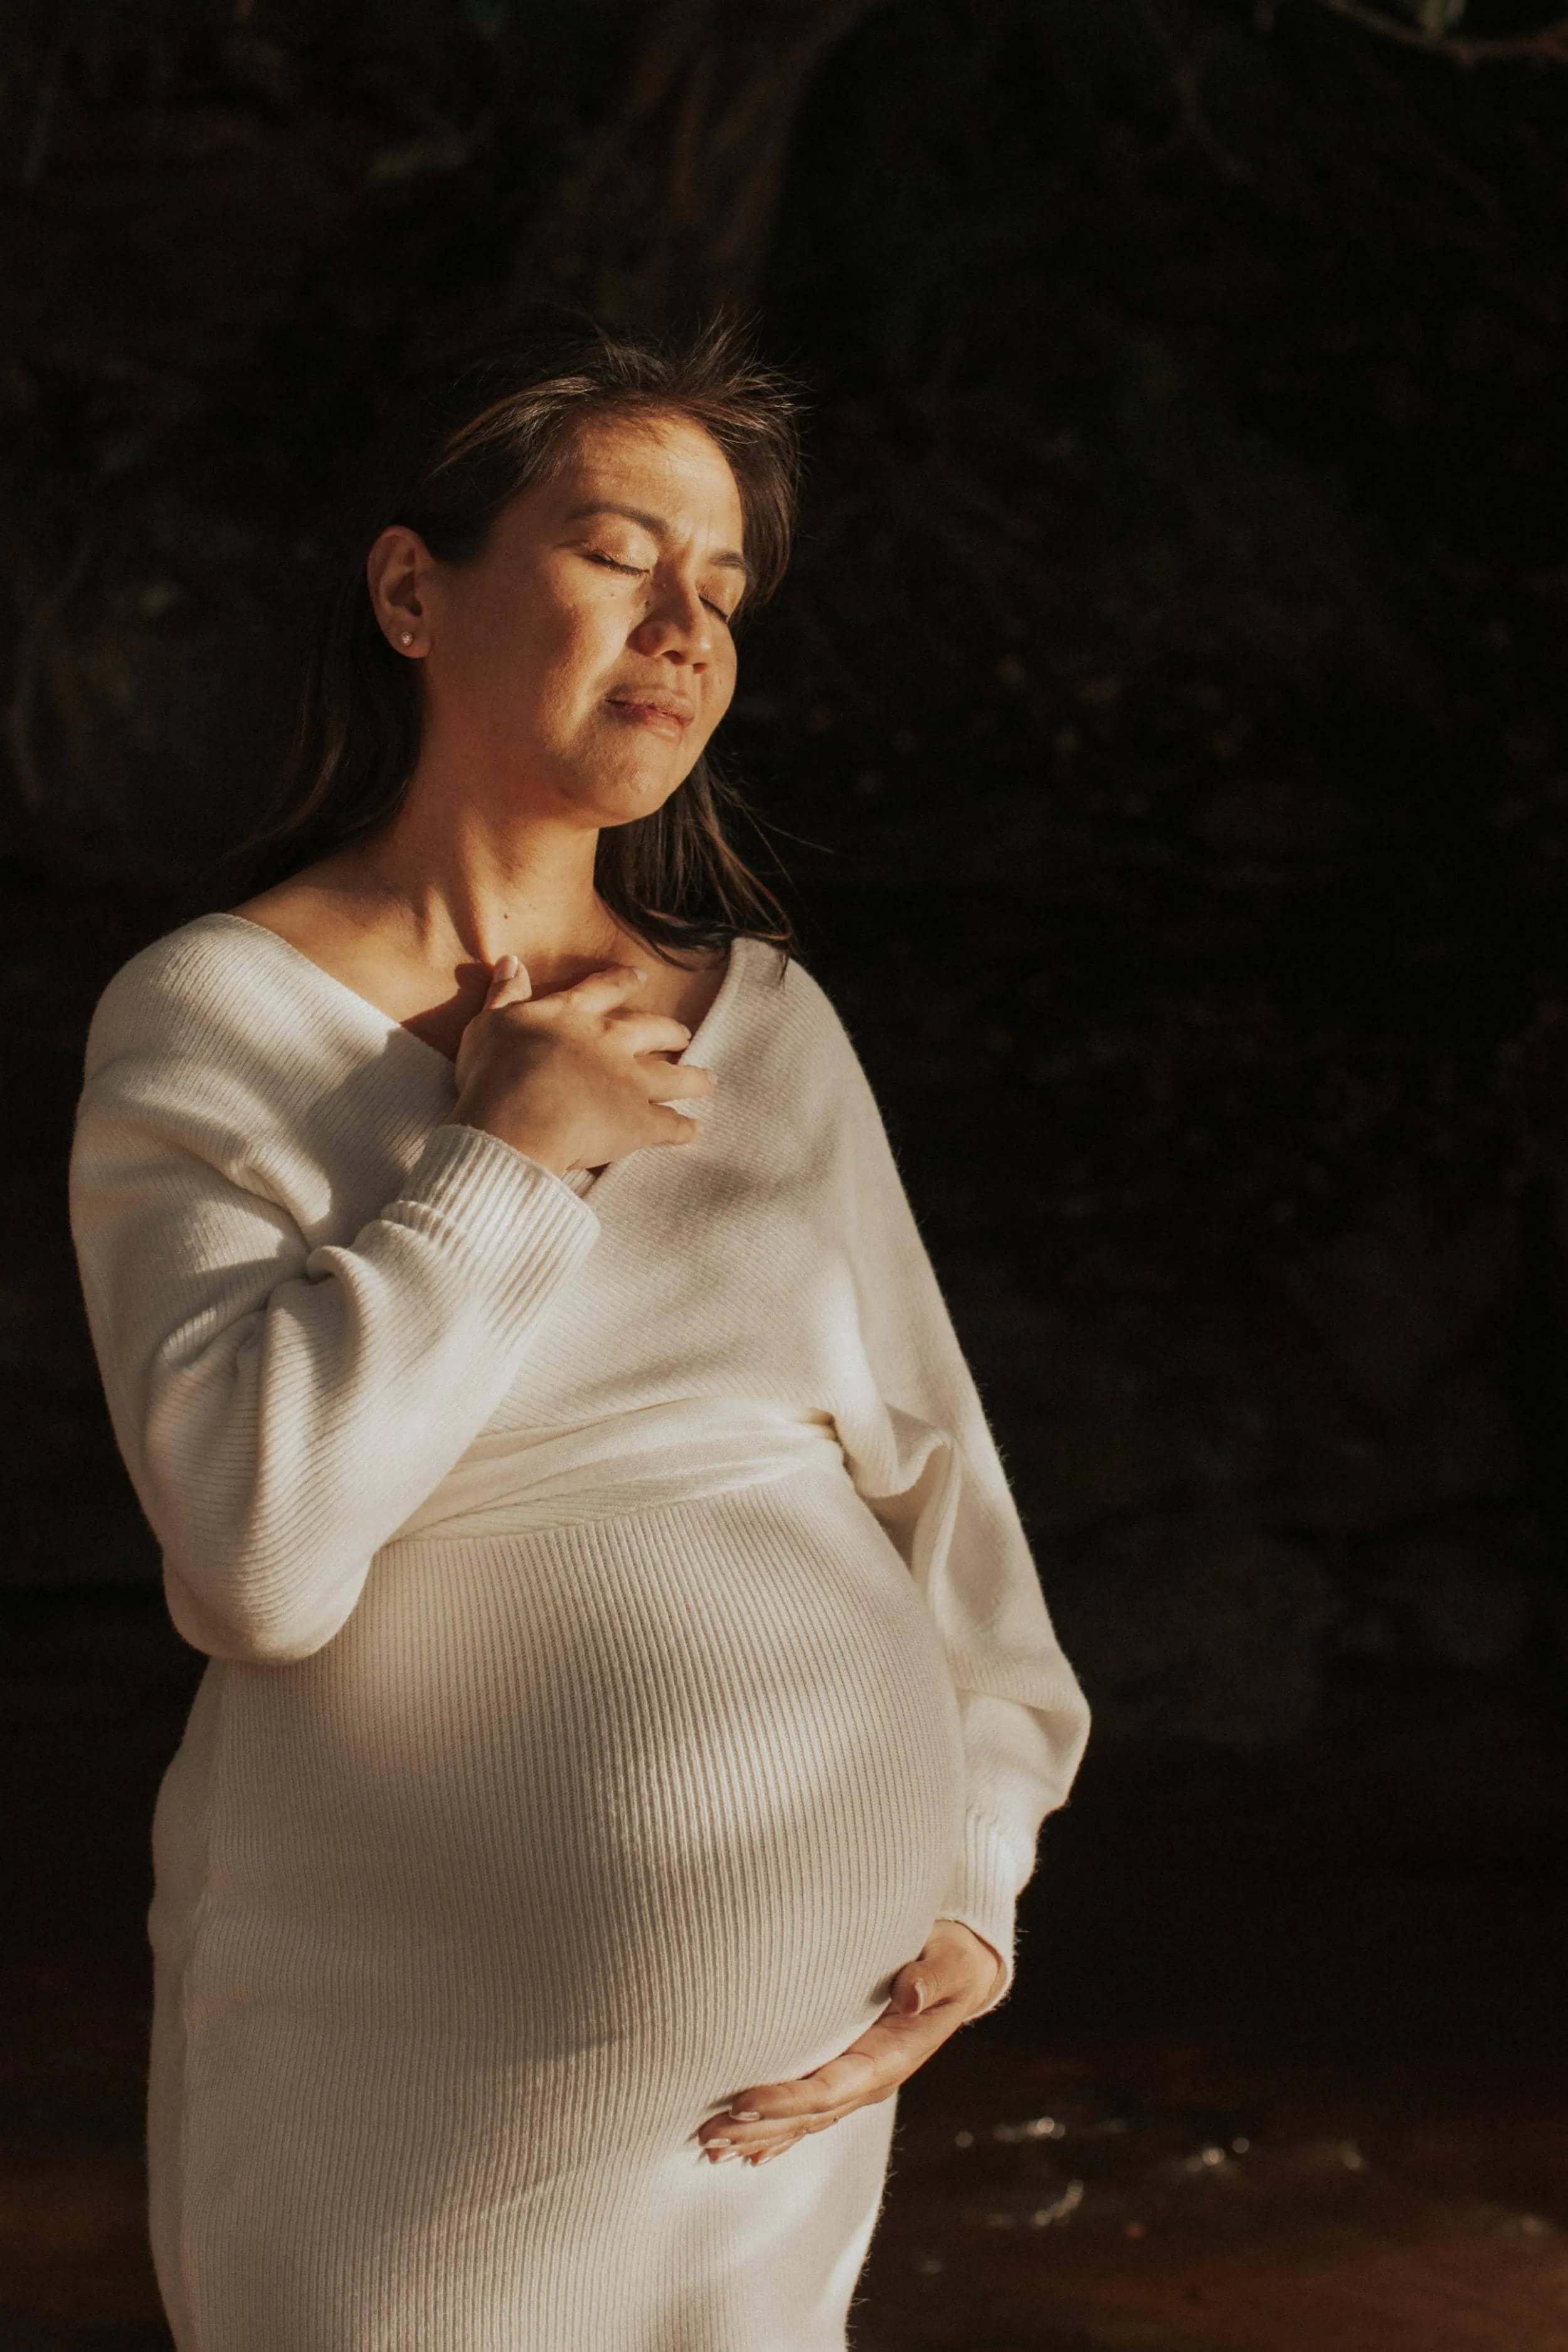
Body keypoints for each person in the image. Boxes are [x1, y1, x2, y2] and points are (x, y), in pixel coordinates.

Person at [69, 316, 1090, 2352]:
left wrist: (973, 1868)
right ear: (410, 588)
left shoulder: (773, 1026)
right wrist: (505, 1162)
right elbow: (255, 1558)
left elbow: (936, 1484)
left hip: (769, 2134)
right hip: (399, 2087)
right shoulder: (211, 1019)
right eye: (623, 550)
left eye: (722, 588)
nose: (687, 623)